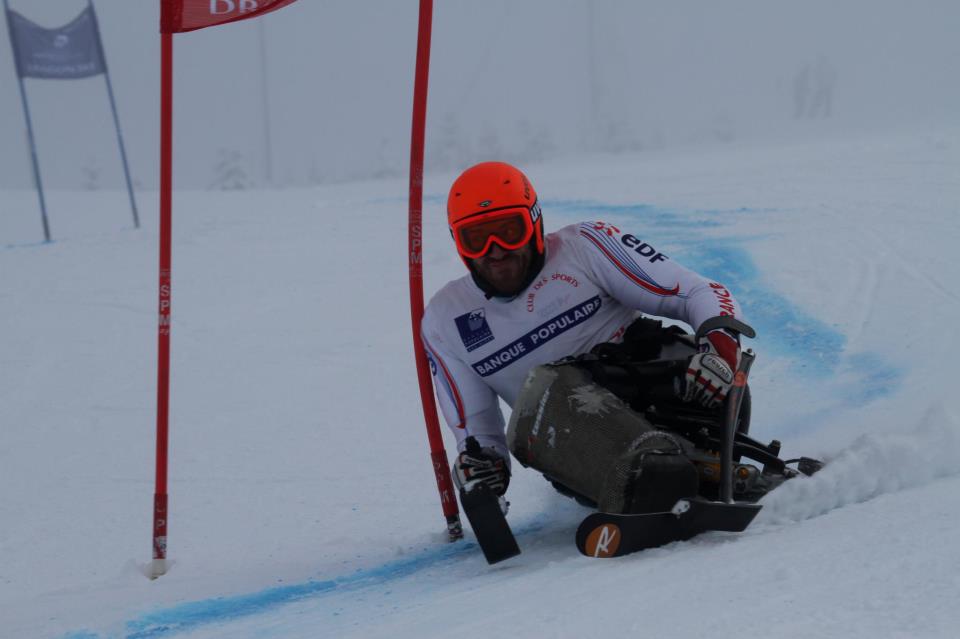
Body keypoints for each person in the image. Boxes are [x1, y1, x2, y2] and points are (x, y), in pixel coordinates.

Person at [422, 161, 749, 513]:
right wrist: (483, 468)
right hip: (584, 452)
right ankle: (652, 473)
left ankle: (681, 469)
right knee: (543, 391)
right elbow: (478, 432)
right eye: (477, 239)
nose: (496, 249)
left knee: (551, 380)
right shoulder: (446, 319)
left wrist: (719, 348)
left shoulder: (585, 246)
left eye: (509, 231)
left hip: (684, 395)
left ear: (534, 222)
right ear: (459, 244)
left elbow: (698, 292)